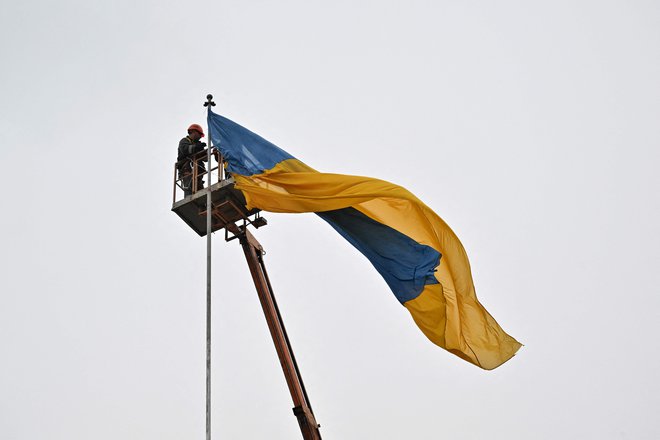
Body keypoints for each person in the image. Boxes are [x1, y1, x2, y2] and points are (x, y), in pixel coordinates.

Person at [177, 124, 207, 196]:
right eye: (199, 134)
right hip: (186, 169)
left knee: (201, 194)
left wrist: (203, 152)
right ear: (193, 132)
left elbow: (206, 159)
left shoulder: (197, 144)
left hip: (198, 173)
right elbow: (186, 150)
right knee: (189, 190)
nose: (200, 137)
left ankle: (203, 205)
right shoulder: (184, 141)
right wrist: (196, 147)